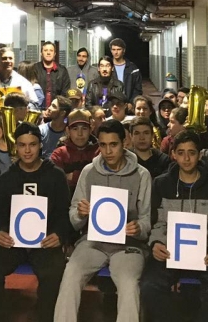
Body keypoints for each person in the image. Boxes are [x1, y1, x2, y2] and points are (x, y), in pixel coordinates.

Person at [55, 119, 152, 322]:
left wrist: (138, 228)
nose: (108, 151)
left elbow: (146, 219)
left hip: (128, 245)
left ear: (124, 143)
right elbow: (73, 217)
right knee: (70, 275)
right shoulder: (89, 172)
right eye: (103, 145)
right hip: (93, 241)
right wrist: (80, 214)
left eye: (113, 144)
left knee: (128, 285)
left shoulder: (142, 175)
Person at [141, 130, 208, 322]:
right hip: (170, 253)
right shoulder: (161, 184)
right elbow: (155, 223)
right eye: (181, 152)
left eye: (191, 152)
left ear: (200, 154)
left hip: (207, 254)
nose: (186, 159)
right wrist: (156, 244)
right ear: (173, 154)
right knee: (149, 288)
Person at [0, 124, 70, 322]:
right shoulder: (6, 179)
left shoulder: (56, 176)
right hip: (13, 242)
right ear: (16, 147)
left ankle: (45, 317)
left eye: (32, 145)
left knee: (54, 272)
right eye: (22, 145)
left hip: (45, 242)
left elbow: (64, 213)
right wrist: (0, 231)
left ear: (40, 145)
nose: (27, 150)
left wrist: (59, 234)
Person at [50, 108, 99, 191]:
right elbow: (55, 181)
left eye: (84, 128)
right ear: (68, 131)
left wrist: (73, 176)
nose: (80, 134)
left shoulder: (98, 151)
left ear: (91, 130)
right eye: (75, 129)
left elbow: (100, 179)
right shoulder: (59, 154)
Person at [34, 42, 69, 109]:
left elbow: (65, 93)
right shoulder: (34, 69)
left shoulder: (62, 71)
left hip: (57, 110)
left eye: (51, 50)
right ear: (41, 53)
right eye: (45, 50)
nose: (48, 53)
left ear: (54, 54)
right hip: (38, 110)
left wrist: (56, 108)